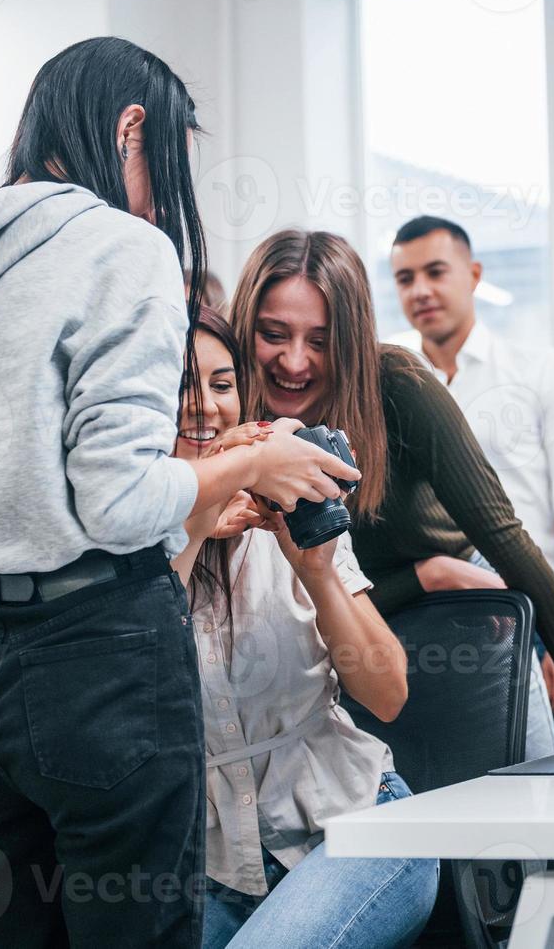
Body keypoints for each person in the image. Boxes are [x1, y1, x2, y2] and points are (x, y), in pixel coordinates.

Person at [0, 38, 361, 949]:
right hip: (100, 661)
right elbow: (122, 503)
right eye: (164, 169)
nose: (161, 201)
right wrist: (249, 465)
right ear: (131, 128)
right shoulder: (121, 248)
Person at [227, 229, 554, 748]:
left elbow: (502, 532)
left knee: (523, 785)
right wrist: (423, 577)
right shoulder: (224, 409)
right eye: (274, 334)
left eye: (320, 341)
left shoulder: (398, 383)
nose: (295, 362)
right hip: (350, 628)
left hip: (464, 609)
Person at [170, 307, 438, 949]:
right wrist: (198, 517)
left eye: (223, 383)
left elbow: (387, 694)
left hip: (359, 825)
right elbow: (133, 679)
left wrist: (316, 568)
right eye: (181, 383)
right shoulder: (122, 544)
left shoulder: (287, 507)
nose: (204, 406)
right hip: (206, 868)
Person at [390, 215, 554, 754]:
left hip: (529, 618)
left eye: (436, 272)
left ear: (474, 274)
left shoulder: (544, 374)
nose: (420, 290)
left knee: (544, 796)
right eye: (404, 278)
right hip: (419, 623)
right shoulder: (389, 383)